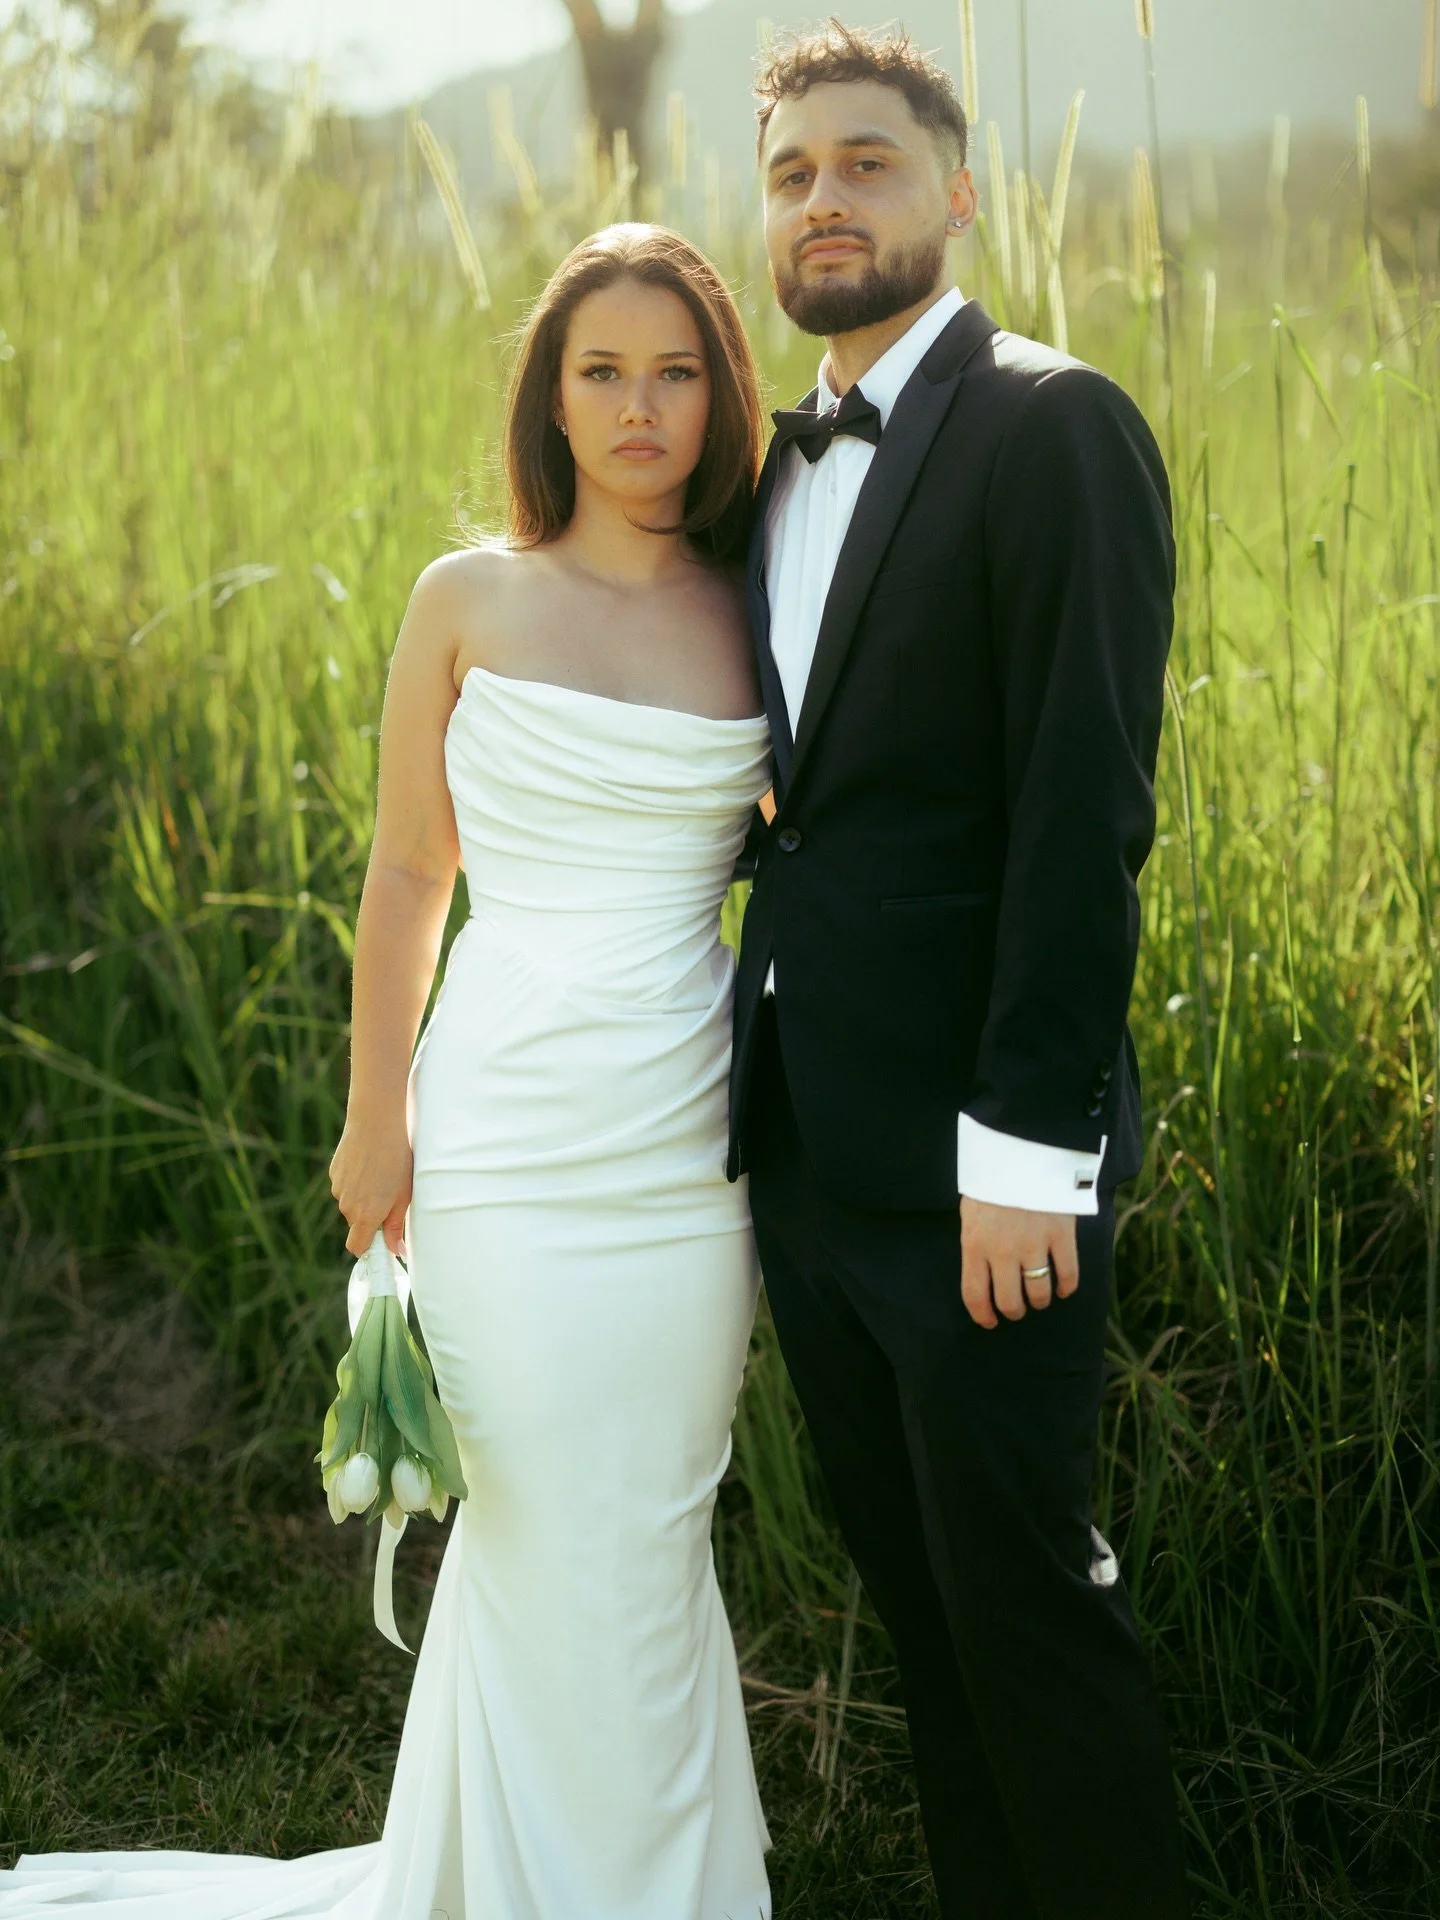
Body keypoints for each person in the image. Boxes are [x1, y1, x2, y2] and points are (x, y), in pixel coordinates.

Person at [0, 224, 774, 1920]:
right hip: (501, 1131)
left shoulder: (765, 604)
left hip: (688, 1144)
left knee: (648, 1526)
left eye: (676, 369)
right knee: (535, 1519)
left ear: (722, 391)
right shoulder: (466, 599)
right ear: (550, 399)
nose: (640, 406)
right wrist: (379, 1123)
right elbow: (410, 877)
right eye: (601, 371)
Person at [728, 22, 1192, 1920]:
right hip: (816, 1161)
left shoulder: (1051, 421)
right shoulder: (772, 467)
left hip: (983, 1179)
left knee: (1028, 1620)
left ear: (959, 193)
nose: (824, 199)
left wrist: (1029, 1152)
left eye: (867, 163)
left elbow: (1084, 814)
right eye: (789, 175)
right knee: (921, 1613)